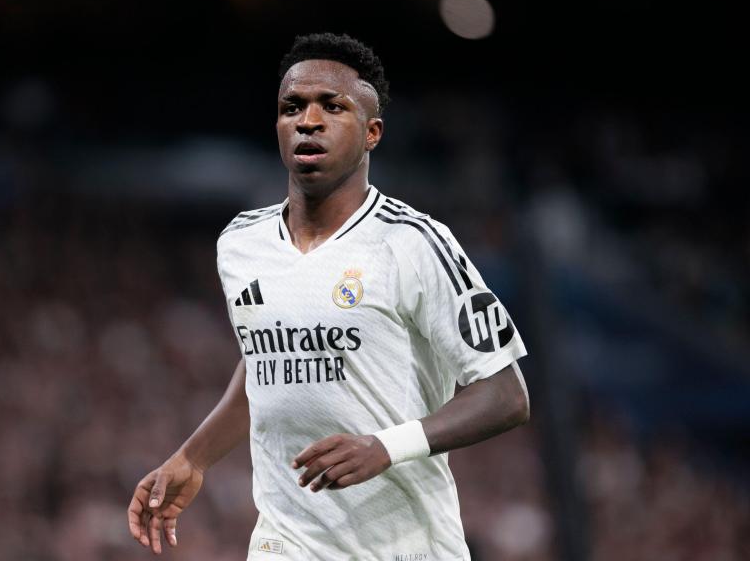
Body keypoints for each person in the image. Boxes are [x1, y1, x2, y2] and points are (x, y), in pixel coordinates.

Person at [128, 32, 530, 559]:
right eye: (291, 106)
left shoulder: (413, 243)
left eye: (332, 107)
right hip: (288, 542)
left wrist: (387, 446)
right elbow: (265, 364)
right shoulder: (240, 244)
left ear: (371, 133)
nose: (308, 120)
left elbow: (506, 394)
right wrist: (193, 458)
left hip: (404, 544)